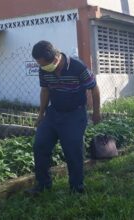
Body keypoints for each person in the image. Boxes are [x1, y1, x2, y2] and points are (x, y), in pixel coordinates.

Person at [26, 41, 101, 195]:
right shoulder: (44, 70)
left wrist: (96, 112)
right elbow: (45, 91)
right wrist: (41, 114)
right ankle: (43, 185)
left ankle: (76, 188)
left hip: (75, 114)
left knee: (73, 150)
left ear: (55, 59)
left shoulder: (77, 67)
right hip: (53, 113)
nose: (42, 67)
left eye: (44, 64)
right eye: (39, 64)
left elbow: (94, 87)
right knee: (40, 145)